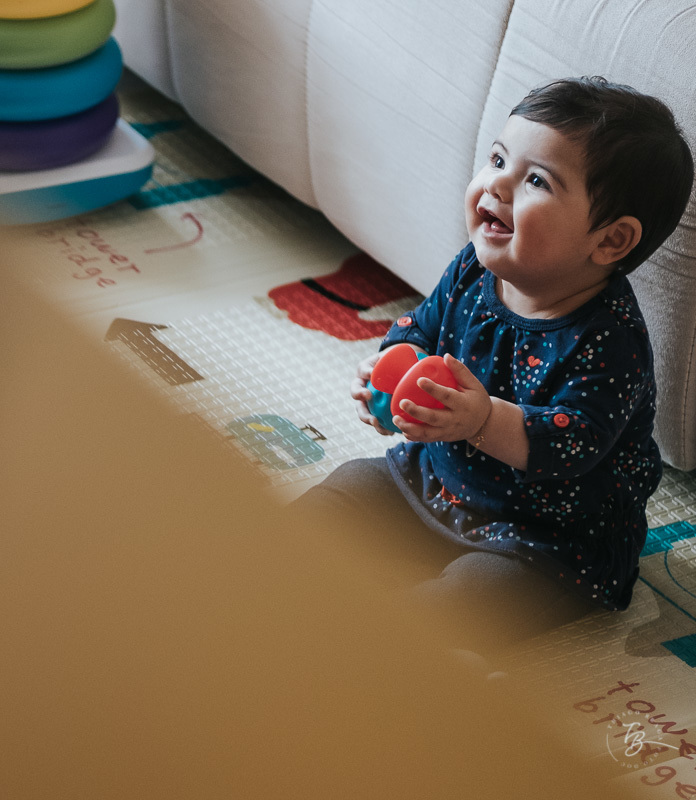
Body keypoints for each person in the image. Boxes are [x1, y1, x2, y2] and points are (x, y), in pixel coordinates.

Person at [293, 76, 695, 654]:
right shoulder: (474, 269)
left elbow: (574, 444)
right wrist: (389, 379)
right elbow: (421, 328)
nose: (496, 185)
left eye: (535, 180)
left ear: (610, 241)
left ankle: (362, 651)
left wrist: (481, 420)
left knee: (458, 610)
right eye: (498, 159)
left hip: (548, 541)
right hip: (435, 483)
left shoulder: (609, 341)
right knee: (346, 493)